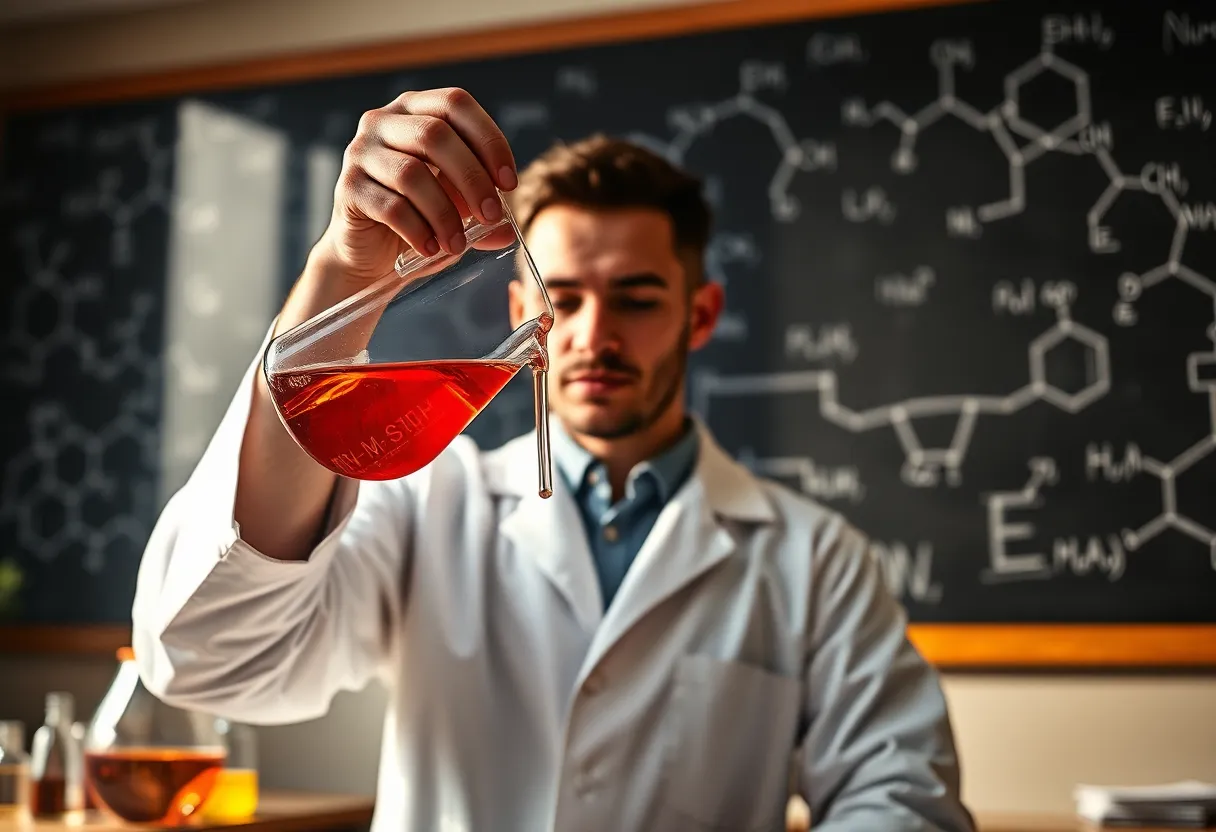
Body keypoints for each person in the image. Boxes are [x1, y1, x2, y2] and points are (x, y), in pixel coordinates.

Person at [131, 87, 975, 832]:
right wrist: (347, 265)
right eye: (562, 298)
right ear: (519, 308)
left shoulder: (815, 559)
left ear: (702, 314)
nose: (591, 335)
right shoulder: (429, 505)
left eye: (637, 299)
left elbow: (899, 797)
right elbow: (206, 656)